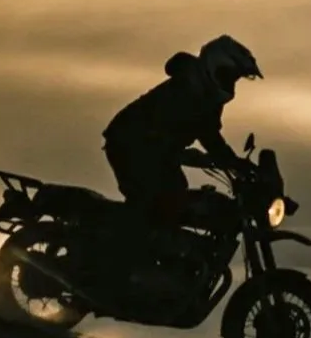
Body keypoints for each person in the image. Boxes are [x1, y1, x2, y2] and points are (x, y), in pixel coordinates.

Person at [99, 35, 263, 296]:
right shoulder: (187, 90)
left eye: (234, 78)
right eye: (229, 75)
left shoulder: (204, 94)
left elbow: (209, 137)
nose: (231, 83)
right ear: (214, 66)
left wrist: (237, 165)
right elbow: (201, 135)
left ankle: (166, 269)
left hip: (151, 152)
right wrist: (227, 162)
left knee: (179, 198)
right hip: (129, 145)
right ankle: (121, 273)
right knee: (158, 199)